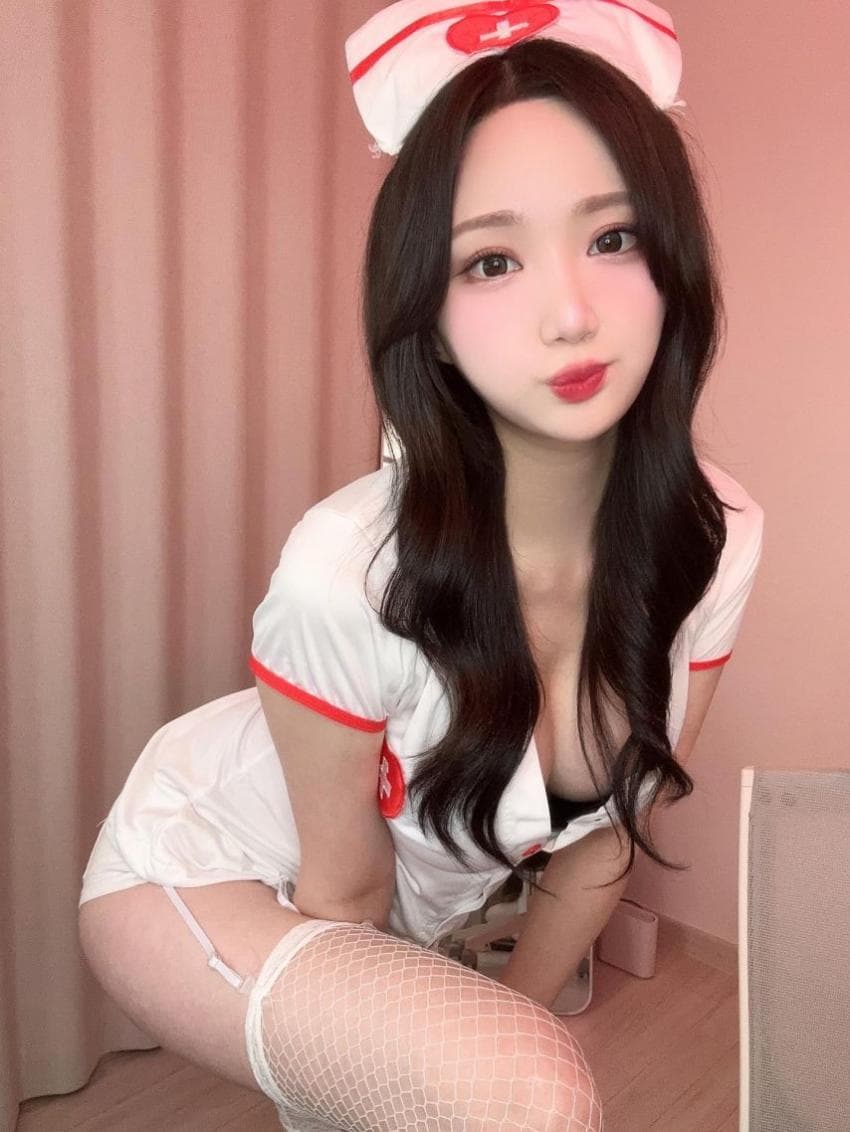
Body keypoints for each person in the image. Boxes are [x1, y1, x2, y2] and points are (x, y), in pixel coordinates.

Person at [78, 2, 764, 1129]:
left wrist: (513, 1021)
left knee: (522, 1082)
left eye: (612, 238)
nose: (570, 314)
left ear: (672, 261)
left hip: (389, 904)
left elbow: (606, 838)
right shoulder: (347, 570)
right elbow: (343, 895)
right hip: (203, 866)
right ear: (431, 321)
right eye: (491, 260)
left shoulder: (718, 537)